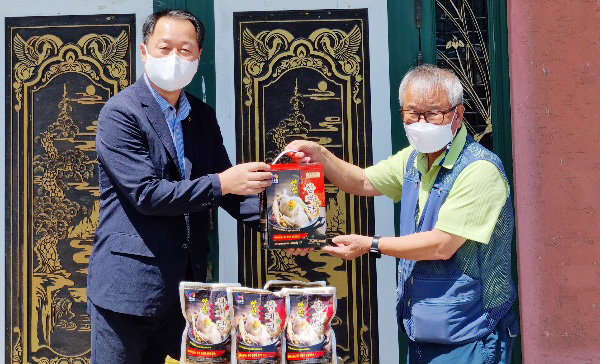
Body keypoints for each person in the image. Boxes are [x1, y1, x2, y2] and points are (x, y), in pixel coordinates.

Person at [286, 65, 519, 363]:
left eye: (432, 114)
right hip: (421, 331)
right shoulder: (413, 160)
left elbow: (441, 245)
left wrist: (371, 244)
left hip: (471, 333)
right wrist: (320, 155)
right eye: (412, 114)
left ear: (457, 115)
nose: (420, 123)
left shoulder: (479, 169)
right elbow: (362, 181)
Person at [87, 10, 272, 364]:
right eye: (164, 47)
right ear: (144, 52)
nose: (174, 57)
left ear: (198, 58)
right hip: (127, 289)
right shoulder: (121, 113)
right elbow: (146, 194)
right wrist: (222, 182)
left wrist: (279, 226)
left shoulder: (200, 115)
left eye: (185, 50)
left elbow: (228, 188)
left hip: (185, 292)